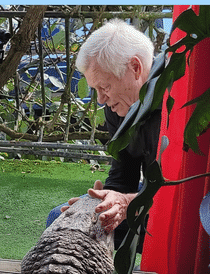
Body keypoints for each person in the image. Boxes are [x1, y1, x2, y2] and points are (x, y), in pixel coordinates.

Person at [47, 19, 161, 249]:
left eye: (104, 87)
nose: (100, 100)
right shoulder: (119, 107)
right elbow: (122, 177)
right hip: (147, 197)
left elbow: (183, 193)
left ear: (135, 68)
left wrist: (126, 202)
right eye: (96, 89)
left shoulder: (177, 101)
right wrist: (101, 202)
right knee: (61, 219)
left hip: (185, 209)